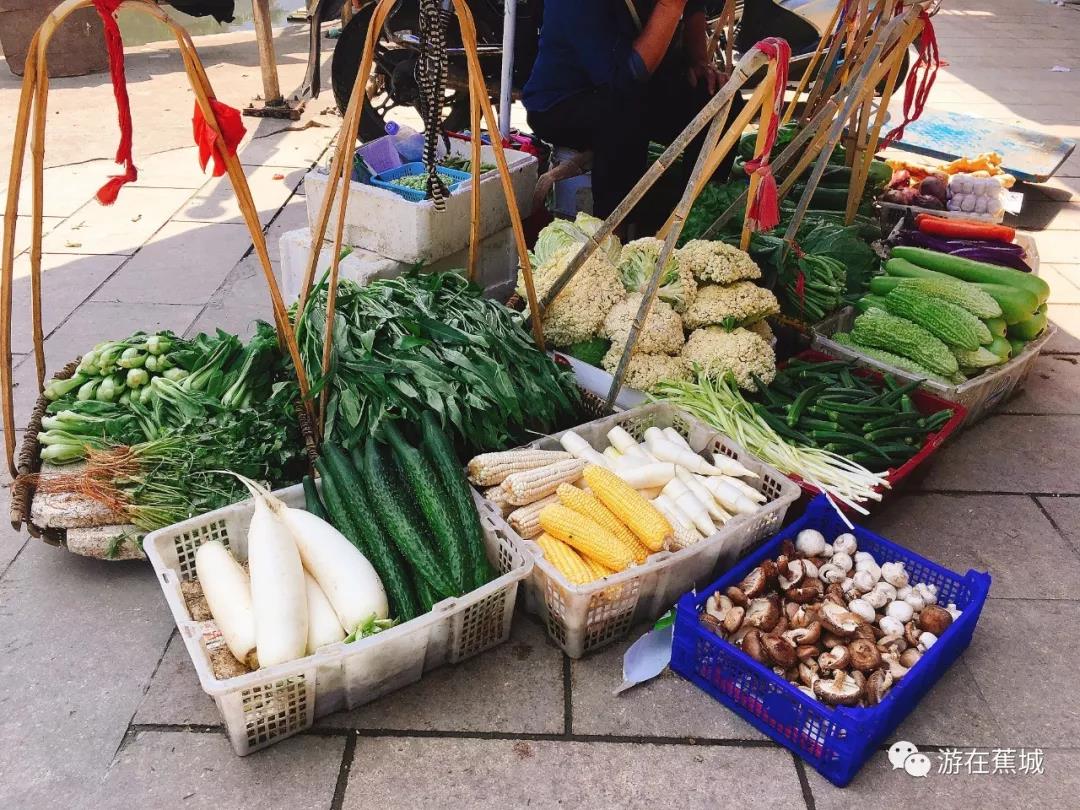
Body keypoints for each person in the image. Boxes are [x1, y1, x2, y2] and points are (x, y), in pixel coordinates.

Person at [523, 0, 745, 229]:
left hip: (638, 89)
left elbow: (693, 7)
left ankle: (696, 220)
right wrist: (670, 7)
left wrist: (699, 61)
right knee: (623, 115)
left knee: (720, 100)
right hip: (563, 102)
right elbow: (621, 80)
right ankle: (614, 236)